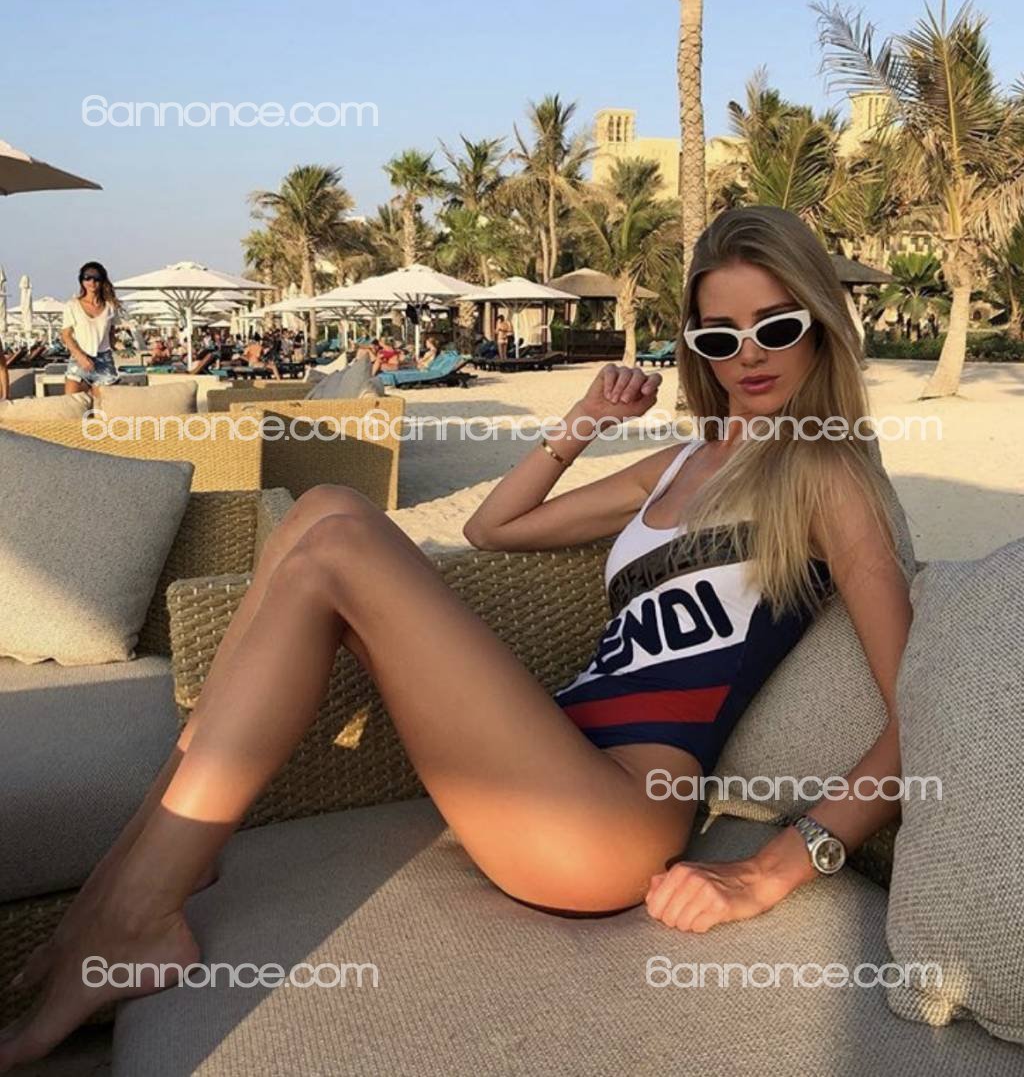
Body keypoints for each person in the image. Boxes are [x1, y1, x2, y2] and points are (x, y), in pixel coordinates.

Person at [0, 205, 913, 1067]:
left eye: (776, 326)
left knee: (339, 534)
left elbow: (921, 713)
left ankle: (134, 912)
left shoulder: (829, 476)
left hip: (605, 823)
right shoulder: (681, 462)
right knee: (318, 514)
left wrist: (770, 871)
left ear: (819, 325)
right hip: (541, 761)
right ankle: (123, 887)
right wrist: (583, 424)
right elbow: (494, 527)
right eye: (719, 337)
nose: (748, 355)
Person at [61, 262, 123, 398]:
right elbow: (66, 335)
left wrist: (123, 348)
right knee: (73, 405)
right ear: (82, 281)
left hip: (104, 362)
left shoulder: (110, 306)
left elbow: (111, 336)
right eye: (87, 277)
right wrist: (80, 356)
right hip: (79, 360)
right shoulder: (72, 305)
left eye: (96, 278)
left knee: (105, 407)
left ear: (102, 280)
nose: (92, 282)